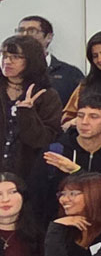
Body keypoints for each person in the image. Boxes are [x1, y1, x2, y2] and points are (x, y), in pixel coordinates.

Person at [41, 93, 101, 205]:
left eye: (93, 117)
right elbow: (38, 197)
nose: (84, 122)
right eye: (80, 116)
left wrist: (76, 171)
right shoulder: (55, 152)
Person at [0, 35, 62, 180]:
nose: (7, 61)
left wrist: (26, 113)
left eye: (15, 57)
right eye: (4, 55)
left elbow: (43, 141)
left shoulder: (46, 95)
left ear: (31, 60)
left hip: (28, 172)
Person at [16, 15, 82, 105]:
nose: (24, 35)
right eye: (20, 31)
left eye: (32, 31)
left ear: (49, 37)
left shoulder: (70, 73)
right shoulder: (7, 70)